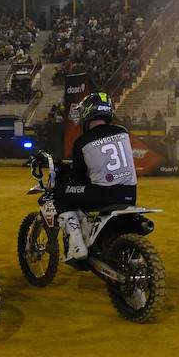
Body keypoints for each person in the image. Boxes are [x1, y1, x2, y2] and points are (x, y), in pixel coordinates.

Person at [55, 92, 137, 263]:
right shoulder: (123, 132)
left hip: (103, 195)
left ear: (87, 113)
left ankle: (76, 246)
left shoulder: (82, 142)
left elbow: (79, 178)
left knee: (61, 194)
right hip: (130, 194)